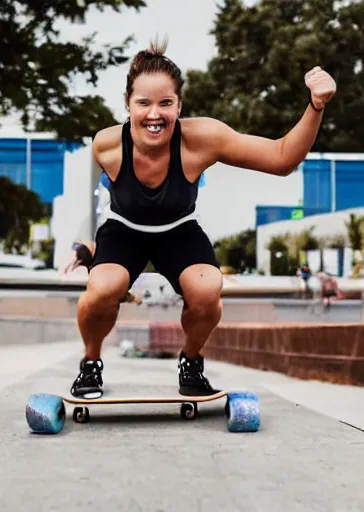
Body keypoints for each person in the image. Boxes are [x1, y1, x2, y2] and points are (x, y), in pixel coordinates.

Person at [64, 36, 336, 399]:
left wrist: (315, 106)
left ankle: (191, 362)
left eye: (166, 103)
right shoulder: (107, 146)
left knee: (208, 290)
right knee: (101, 290)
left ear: (180, 104)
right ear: (128, 104)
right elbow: (99, 205)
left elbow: (282, 158)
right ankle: (90, 364)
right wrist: (84, 248)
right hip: (124, 231)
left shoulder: (202, 139)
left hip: (178, 231)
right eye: (143, 103)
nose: (155, 114)